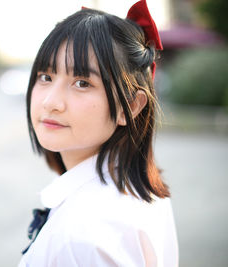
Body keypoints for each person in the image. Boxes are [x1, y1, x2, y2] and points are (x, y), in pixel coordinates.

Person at [18, 1, 179, 266]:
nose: (50, 102)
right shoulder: (141, 188)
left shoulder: (80, 239)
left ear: (131, 106)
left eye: (82, 83)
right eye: (45, 76)